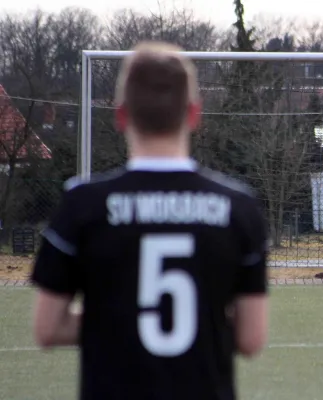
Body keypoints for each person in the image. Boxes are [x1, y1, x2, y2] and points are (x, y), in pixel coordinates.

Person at [30, 41, 269, 400]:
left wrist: (123, 316)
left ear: (121, 115)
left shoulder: (82, 204)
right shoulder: (239, 208)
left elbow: (47, 329)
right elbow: (251, 338)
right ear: (194, 115)